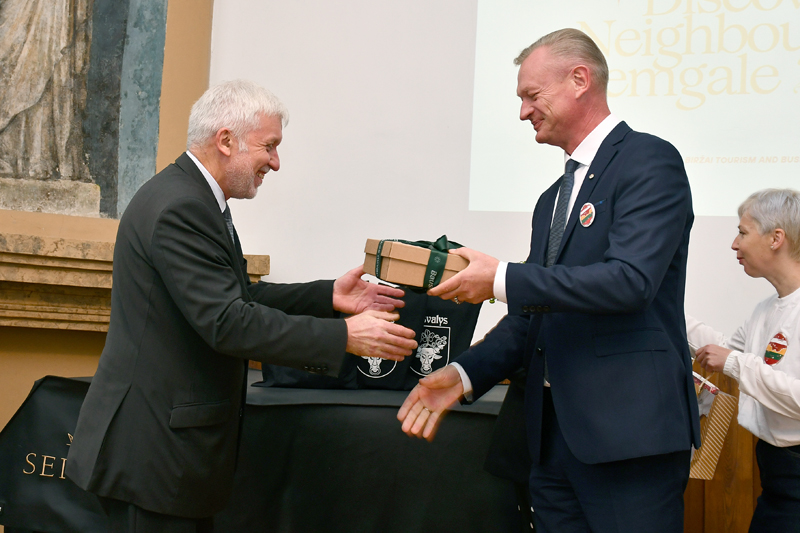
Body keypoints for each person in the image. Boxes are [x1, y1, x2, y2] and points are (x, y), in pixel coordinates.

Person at [66, 79, 418, 532]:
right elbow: (228, 322)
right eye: (269, 146)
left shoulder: (192, 196)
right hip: (153, 457)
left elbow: (236, 297)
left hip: (161, 454)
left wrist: (328, 296)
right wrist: (345, 337)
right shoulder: (182, 207)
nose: (276, 162)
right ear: (226, 140)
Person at [398, 28, 700, 532]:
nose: (523, 112)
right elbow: (533, 317)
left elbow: (630, 281)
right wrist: (464, 375)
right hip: (551, 441)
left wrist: (502, 279)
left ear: (579, 80)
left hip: (627, 438)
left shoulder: (649, 160)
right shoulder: (551, 199)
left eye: (531, 95)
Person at [689, 188, 800, 532]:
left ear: (776, 238)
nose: (734, 244)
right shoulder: (765, 310)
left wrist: (734, 363)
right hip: (776, 478)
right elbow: (723, 349)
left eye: (742, 232)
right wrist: (665, 312)